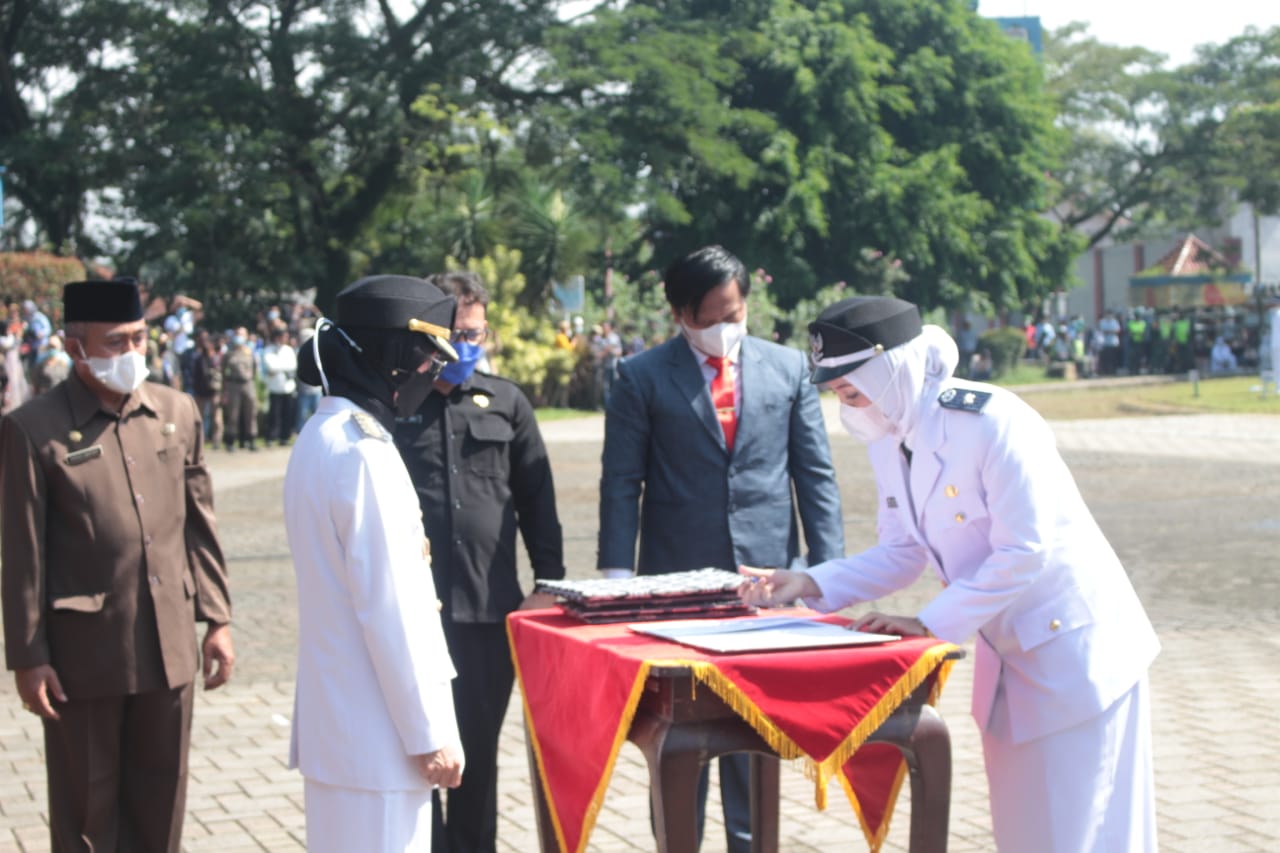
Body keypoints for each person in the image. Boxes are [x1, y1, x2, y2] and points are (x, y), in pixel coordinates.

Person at [740, 295, 1160, 853]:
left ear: (888, 366)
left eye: (850, 386)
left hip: (1076, 654)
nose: (846, 403)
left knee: (1087, 832)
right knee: (1028, 833)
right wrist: (810, 583)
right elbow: (903, 550)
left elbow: (1024, 550)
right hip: (1012, 657)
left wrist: (927, 623)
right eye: (838, 392)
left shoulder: (992, 420)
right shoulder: (892, 436)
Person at [597, 244, 845, 853]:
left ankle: (750, 843)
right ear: (680, 313)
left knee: (753, 732)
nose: (723, 329)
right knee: (680, 736)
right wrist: (614, 578)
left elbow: (815, 477)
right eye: (708, 319)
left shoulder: (788, 371)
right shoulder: (641, 376)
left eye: (733, 314)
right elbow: (622, 482)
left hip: (766, 586)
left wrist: (827, 573)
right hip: (677, 588)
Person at [1, 277, 234, 853]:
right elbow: (22, 552)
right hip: (85, 653)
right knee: (87, 810)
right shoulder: (32, 429)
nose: (131, 354)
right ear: (74, 346)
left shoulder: (176, 411)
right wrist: (29, 660)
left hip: (170, 641)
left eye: (138, 339)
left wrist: (219, 619)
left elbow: (200, 526)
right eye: (115, 343)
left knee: (162, 802)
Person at [285, 274, 465, 853]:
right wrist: (430, 730)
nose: (431, 374)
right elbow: (394, 610)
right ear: (391, 358)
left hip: (345, 734)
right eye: (426, 359)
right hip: (382, 738)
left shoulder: (320, 435)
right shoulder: (366, 455)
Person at [393, 271, 564, 853]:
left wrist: (551, 582)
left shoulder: (507, 401)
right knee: (415, 759)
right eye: (456, 333)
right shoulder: (394, 409)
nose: (467, 345)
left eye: (476, 332)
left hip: (488, 615)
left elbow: (538, 500)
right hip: (415, 617)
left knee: (476, 759)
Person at [221, 327, 258, 451]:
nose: (239, 337)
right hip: (233, 385)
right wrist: (224, 390)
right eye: (237, 334)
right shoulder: (229, 353)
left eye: (242, 334)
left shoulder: (250, 352)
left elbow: (255, 370)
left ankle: (251, 439)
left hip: (248, 384)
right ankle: (231, 440)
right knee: (233, 414)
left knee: (251, 412)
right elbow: (223, 371)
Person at [262, 326, 298, 445]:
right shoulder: (269, 349)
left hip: (288, 387)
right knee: (274, 414)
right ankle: (271, 437)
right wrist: (282, 367)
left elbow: (293, 365)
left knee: (287, 414)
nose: (286, 338)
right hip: (275, 387)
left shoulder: (288, 350)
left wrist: (279, 367)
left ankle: (285, 437)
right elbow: (270, 366)